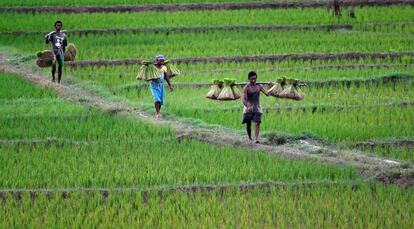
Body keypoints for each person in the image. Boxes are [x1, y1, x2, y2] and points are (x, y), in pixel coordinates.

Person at [242, 71, 269, 143]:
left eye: (254, 79)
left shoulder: (259, 86)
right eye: (251, 79)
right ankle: (249, 137)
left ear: (256, 78)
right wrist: (248, 106)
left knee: (257, 123)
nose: (253, 80)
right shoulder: (246, 88)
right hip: (248, 107)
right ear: (249, 79)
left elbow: (267, 93)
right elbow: (244, 99)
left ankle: (256, 139)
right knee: (248, 124)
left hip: (257, 107)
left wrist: (272, 88)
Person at [150, 54, 174, 119]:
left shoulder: (164, 67)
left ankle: (158, 112)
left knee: (160, 100)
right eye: (160, 61)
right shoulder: (153, 67)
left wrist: (170, 85)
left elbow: (166, 77)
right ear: (157, 61)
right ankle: (157, 113)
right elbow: (149, 77)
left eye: (163, 61)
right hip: (154, 85)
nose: (162, 62)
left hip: (161, 85)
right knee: (156, 99)